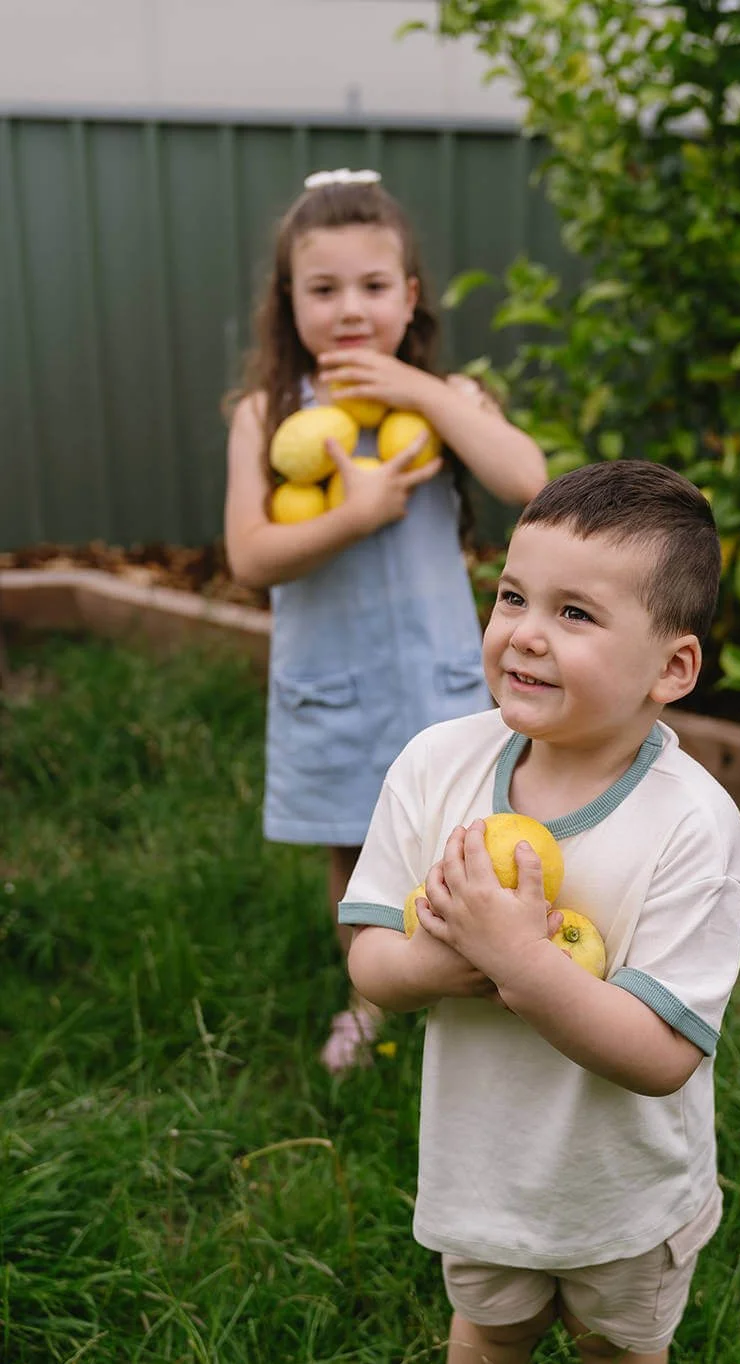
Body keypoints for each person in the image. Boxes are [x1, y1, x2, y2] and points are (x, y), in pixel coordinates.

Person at [340, 459, 740, 1364]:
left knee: (620, 1332)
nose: (523, 631)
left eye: (574, 613)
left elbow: (660, 1056)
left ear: (672, 667)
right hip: (486, 1158)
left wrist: (520, 961)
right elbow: (371, 964)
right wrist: (456, 955)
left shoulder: (692, 829)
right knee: (486, 1309)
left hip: (620, 1174)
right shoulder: (436, 767)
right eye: (512, 595)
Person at [224, 167, 547, 1072]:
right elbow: (248, 556)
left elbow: (530, 482)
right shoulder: (267, 415)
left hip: (437, 677)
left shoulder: (446, 403)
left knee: (470, 833)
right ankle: (371, 997)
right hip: (335, 683)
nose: (350, 309)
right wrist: (355, 515)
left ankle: (491, 976)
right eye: (323, 289)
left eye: (374, 287)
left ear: (409, 298)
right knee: (358, 843)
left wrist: (426, 392)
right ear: (288, 302)